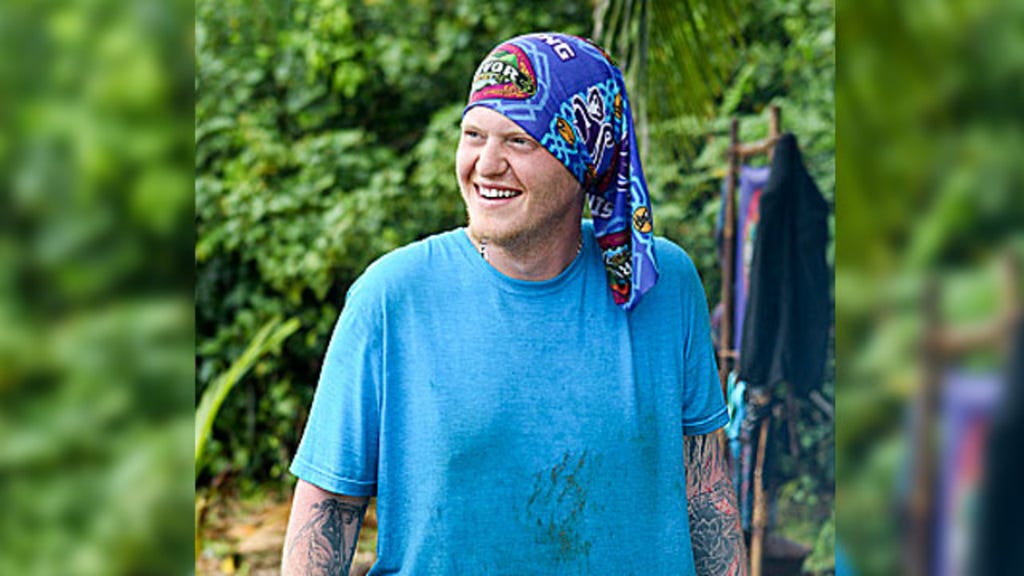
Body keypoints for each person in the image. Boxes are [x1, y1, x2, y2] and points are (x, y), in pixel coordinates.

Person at [281, 32, 747, 575]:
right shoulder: (392, 298)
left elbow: (707, 496)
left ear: (584, 159)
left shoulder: (660, 283)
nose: (486, 164)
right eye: (473, 135)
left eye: (519, 141)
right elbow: (325, 514)